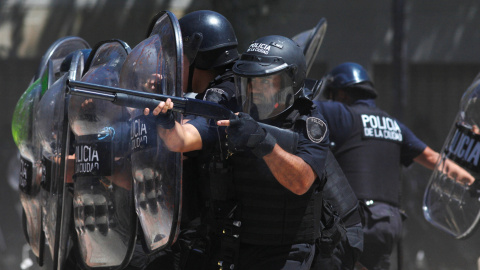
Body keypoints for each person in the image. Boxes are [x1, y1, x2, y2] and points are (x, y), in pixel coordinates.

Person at [145, 35, 330, 269]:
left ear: (289, 81)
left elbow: (301, 181)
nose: (254, 90)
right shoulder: (234, 114)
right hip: (236, 246)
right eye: (249, 82)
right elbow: (180, 141)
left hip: (286, 252)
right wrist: (166, 121)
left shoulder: (308, 123)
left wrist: (262, 142)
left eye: (265, 82)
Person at [313, 62, 475, 270]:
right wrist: (472, 182)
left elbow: (302, 107)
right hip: (388, 223)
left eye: (332, 95)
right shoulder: (394, 125)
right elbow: (436, 160)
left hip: (354, 220)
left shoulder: (342, 114)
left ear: (342, 94)